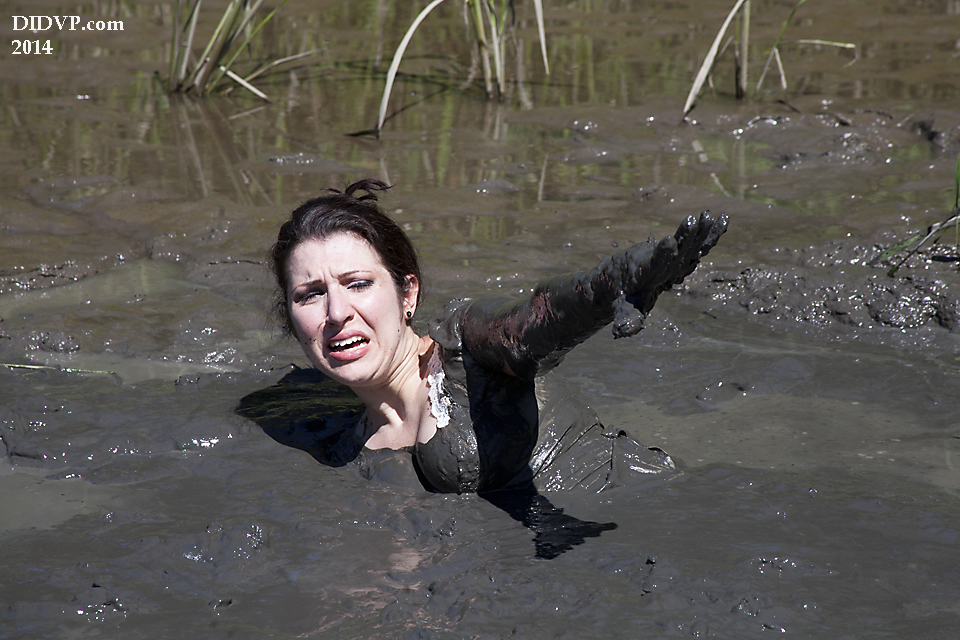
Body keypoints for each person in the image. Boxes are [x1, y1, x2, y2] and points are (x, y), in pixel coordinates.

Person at [263, 178, 727, 557]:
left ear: (408, 293)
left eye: (358, 283)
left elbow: (534, 322)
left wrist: (613, 285)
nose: (337, 311)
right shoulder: (346, 440)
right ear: (291, 316)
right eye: (310, 294)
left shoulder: (466, 350)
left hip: (669, 521)